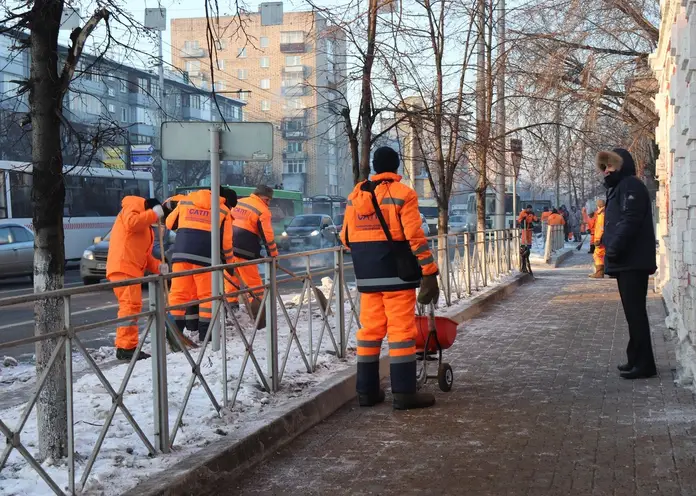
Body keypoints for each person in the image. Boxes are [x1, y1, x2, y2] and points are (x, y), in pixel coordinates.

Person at [341, 146, 440, 411]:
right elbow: (414, 237)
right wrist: (429, 270)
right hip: (396, 273)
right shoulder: (403, 194)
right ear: (396, 167)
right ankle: (404, 393)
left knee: (370, 331)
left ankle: (367, 392)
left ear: (374, 166)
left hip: (366, 273)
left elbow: (345, 238)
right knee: (400, 332)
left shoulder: (355, 195)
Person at [597, 148, 657, 379]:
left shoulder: (631, 186)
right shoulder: (620, 187)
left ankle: (644, 365)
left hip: (633, 260)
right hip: (627, 260)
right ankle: (635, 358)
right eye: (604, 167)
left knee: (636, 313)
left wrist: (614, 247)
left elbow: (630, 220)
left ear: (622, 165)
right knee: (632, 313)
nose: (607, 171)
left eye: (611, 166)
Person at [166, 187, 235, 343]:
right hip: (205, 258)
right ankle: (207, 336)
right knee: (207, 298)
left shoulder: (185, 201)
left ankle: (174, 334)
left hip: (181, 254)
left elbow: (170, 223)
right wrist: (230, 265)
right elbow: (227, 244)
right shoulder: (223, 211)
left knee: (179, 295)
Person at [107, 196, 169, 361]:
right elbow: (132, 223)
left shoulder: (145, 226)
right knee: (129, 306)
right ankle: (125, 347)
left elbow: (144, 256)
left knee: (132, 306)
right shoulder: (132, 206)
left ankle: (126, 346)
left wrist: (158, 267)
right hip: (124, 266)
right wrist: (153, 214)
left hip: (130, 268)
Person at [228, 185, 279, 320]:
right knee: (253, 283)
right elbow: (267, 236)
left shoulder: (239, 202)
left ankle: (231, 311)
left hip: (228, 248)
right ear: (260, 196)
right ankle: (259, 313)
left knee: (231, 280)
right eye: (267, 199)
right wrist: (273, 255)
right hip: (245, 250)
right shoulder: (263, 211)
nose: (268, 203)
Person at [163, 192, 199, 335]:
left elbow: (170, 224)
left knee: (185, 293)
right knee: (187, 292)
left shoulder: (179, 204)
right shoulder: (180, 203)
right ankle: (186, 328)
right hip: (194, 252)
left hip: (184, 254)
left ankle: (183, 328)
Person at [589, 199, 606, 278]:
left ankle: (599, 272)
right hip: (602, 238)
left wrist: (599, 239)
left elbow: (601, 227)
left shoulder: (601, 214)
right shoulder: (603, 213)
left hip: (600, 239)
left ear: (598, 206)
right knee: (603, 254)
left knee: (598, 255)